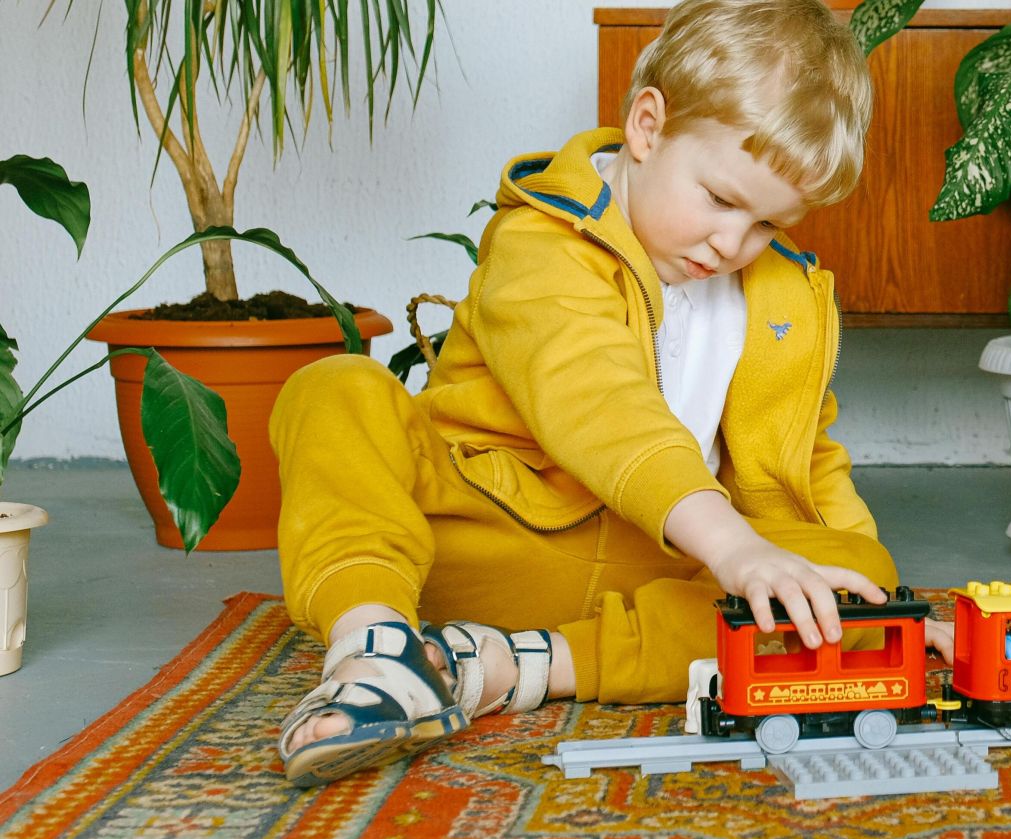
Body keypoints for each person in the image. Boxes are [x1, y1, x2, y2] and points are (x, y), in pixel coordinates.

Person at [272, 0, 894, 786]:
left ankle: (510, 666)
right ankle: (377, 648)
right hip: (485, 535)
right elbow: (602, 406)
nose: (733, 244)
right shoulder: (543, 241)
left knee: (851, 574)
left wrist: (884, 608)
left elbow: (810, 460)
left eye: (770, 224)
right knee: (333, 388)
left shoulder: (782, 297)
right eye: (722, 200)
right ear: (646, 126)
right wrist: (734, 548)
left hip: (654, 569)